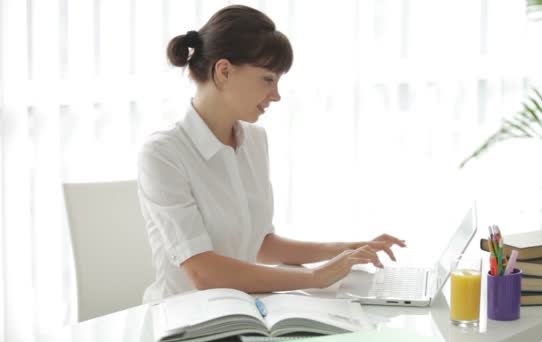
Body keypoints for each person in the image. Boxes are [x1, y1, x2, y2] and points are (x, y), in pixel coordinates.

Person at [137, 4, 406, 303]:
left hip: (245, 312)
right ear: (224, 71)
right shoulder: (163, 154)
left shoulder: (253, 140)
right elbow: (204, 272)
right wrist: (315, 277)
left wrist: (345, 251)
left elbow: (260, 243)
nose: (276, 95)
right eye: (268, 79)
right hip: (187, 321)